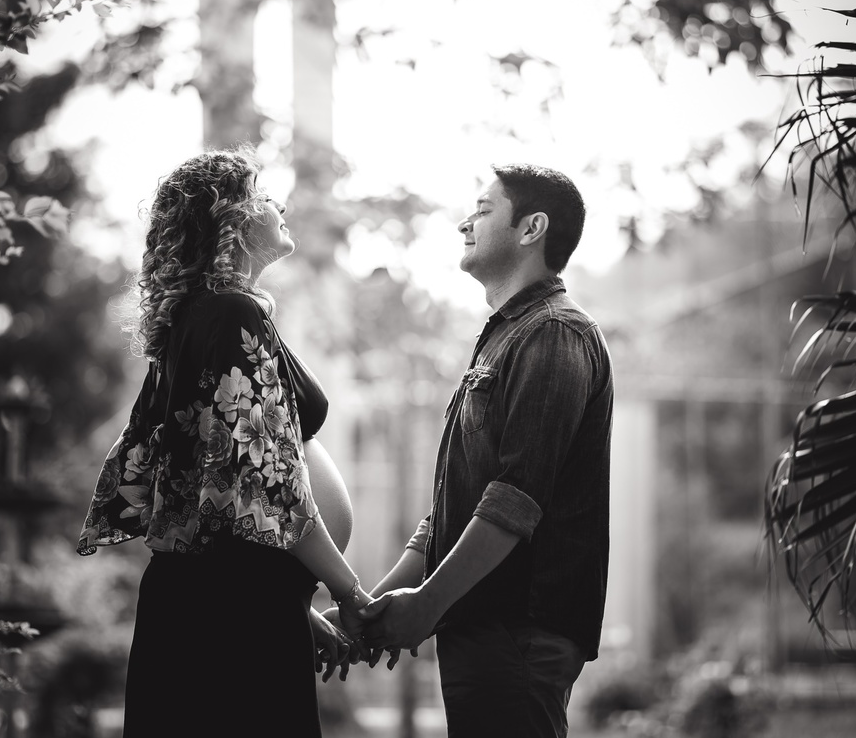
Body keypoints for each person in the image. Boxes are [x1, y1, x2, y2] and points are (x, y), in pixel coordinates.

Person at [76, 148, 368, 738]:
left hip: (231, 605)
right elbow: (269, 485)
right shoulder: (229, 315)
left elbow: (210, 496)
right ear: (230, 218)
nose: (280, 205)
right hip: (231, 618)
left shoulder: (201, 319)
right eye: (263, 195)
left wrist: (294, 606)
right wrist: (351, 593)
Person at [359, 163, 613, 738]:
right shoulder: (506, 335)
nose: (464, 223)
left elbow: (513, 500)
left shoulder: (554, 333)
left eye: (482, 209)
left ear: (531, 228)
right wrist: (371, 609)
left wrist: (427, 605)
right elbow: (455, 507)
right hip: (482, 628)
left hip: (517, 632)